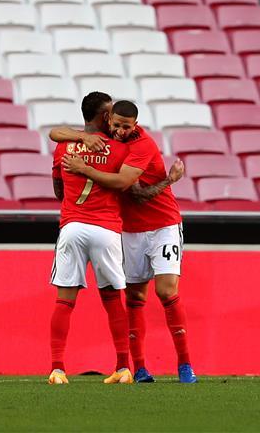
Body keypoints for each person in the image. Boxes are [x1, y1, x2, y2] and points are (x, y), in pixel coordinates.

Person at [61, 100, 197, 384]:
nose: (121, 131)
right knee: (134, 297)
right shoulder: (105, 138)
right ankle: (141, 368)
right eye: (117, 125)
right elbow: (56, 133)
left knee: (166, 291)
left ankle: (185, 365)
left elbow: (130, 190)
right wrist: (82, 136)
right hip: (129, 229)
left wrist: (83, 168)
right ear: (109, 121)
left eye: (127, 127)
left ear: (135, 125)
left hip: (163, 224)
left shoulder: (143, 145)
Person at [48, 92, 133, 385]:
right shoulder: (120, 149)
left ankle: (57, 369)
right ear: (105, 115)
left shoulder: (64, 147)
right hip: (107, 229)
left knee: (65, 300)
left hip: (72, 227)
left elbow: (58, 190)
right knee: (112, 299)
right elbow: (126, 187)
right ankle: (123, 366)